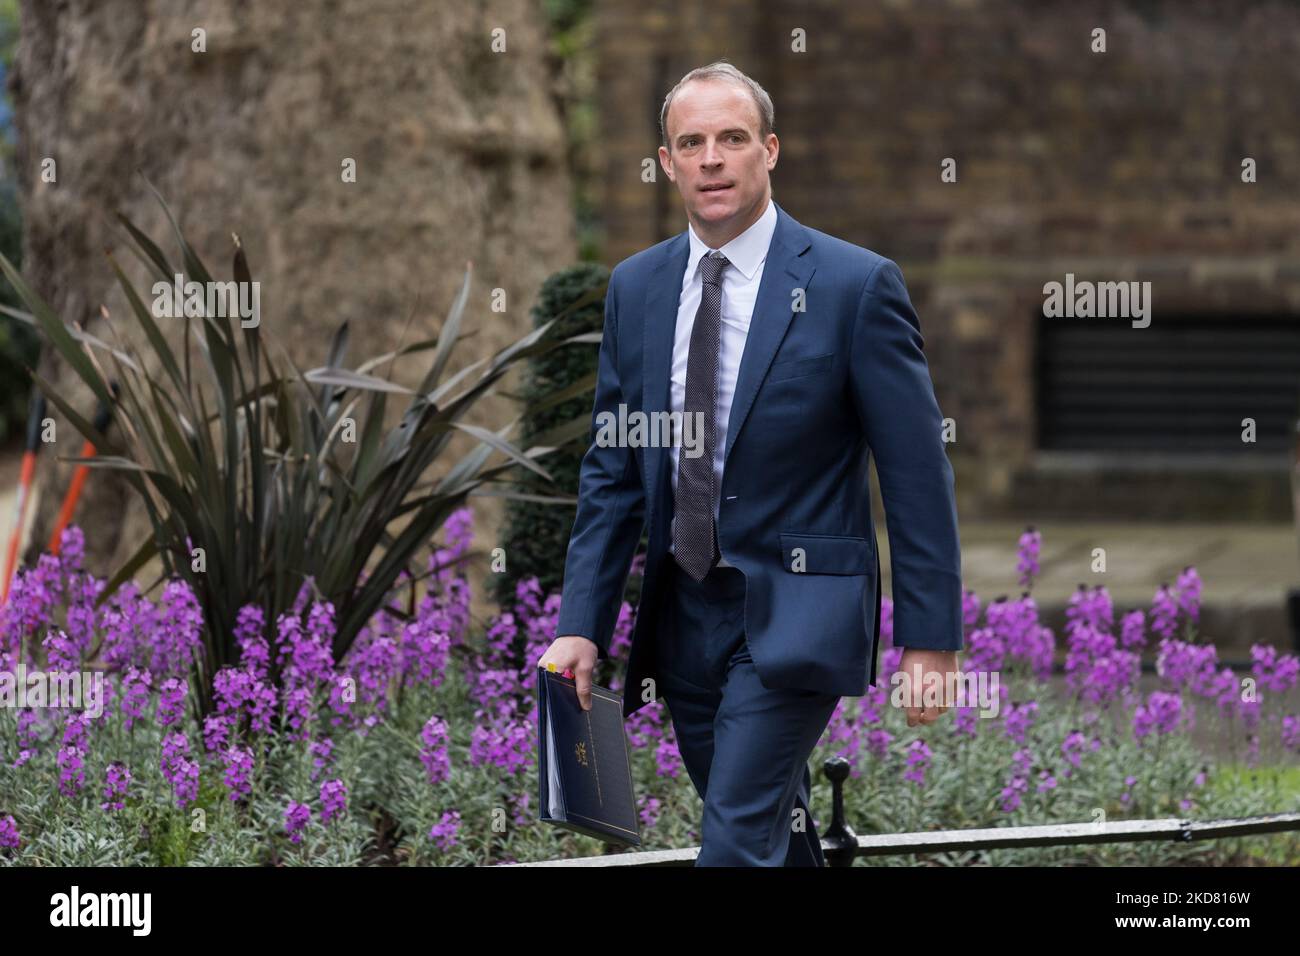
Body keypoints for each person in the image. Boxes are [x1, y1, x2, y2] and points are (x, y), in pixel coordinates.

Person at [537, 60, 963, 866]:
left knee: (733, 839)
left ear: (770, 150)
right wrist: (580, 624)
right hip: (684, 617)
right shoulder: (635, 287)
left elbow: (915, 471)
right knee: (774, 831)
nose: (711, 159)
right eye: (690, 142)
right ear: (666, 163)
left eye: (731, 139)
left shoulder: (854, 285)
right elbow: (612, 471)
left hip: (799, 611)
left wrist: (931, 638)